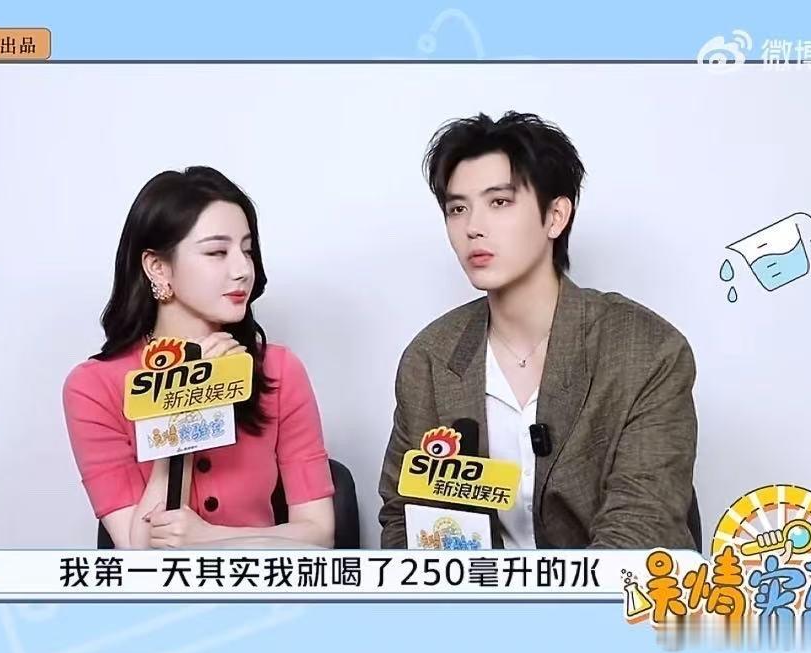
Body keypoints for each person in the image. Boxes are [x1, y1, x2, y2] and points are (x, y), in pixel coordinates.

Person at [378, 111, 698, 550]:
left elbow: (642, 528)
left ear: (555, 216)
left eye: (499, 202)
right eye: (457, 209)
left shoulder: (645, 351)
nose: (473, 227)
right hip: (472, 593)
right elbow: (405, 519)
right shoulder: (430, 359)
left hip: (610, 591)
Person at [63, 167, 335, 550]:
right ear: (158, 267)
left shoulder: (279, 370)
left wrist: (213, 538)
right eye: (216, 252)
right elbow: (139, 551)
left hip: (262, 583)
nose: (242, 270)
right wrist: (189, 407)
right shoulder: (93, 387)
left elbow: (319, 534)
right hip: (160, 589)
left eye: (247, 250)